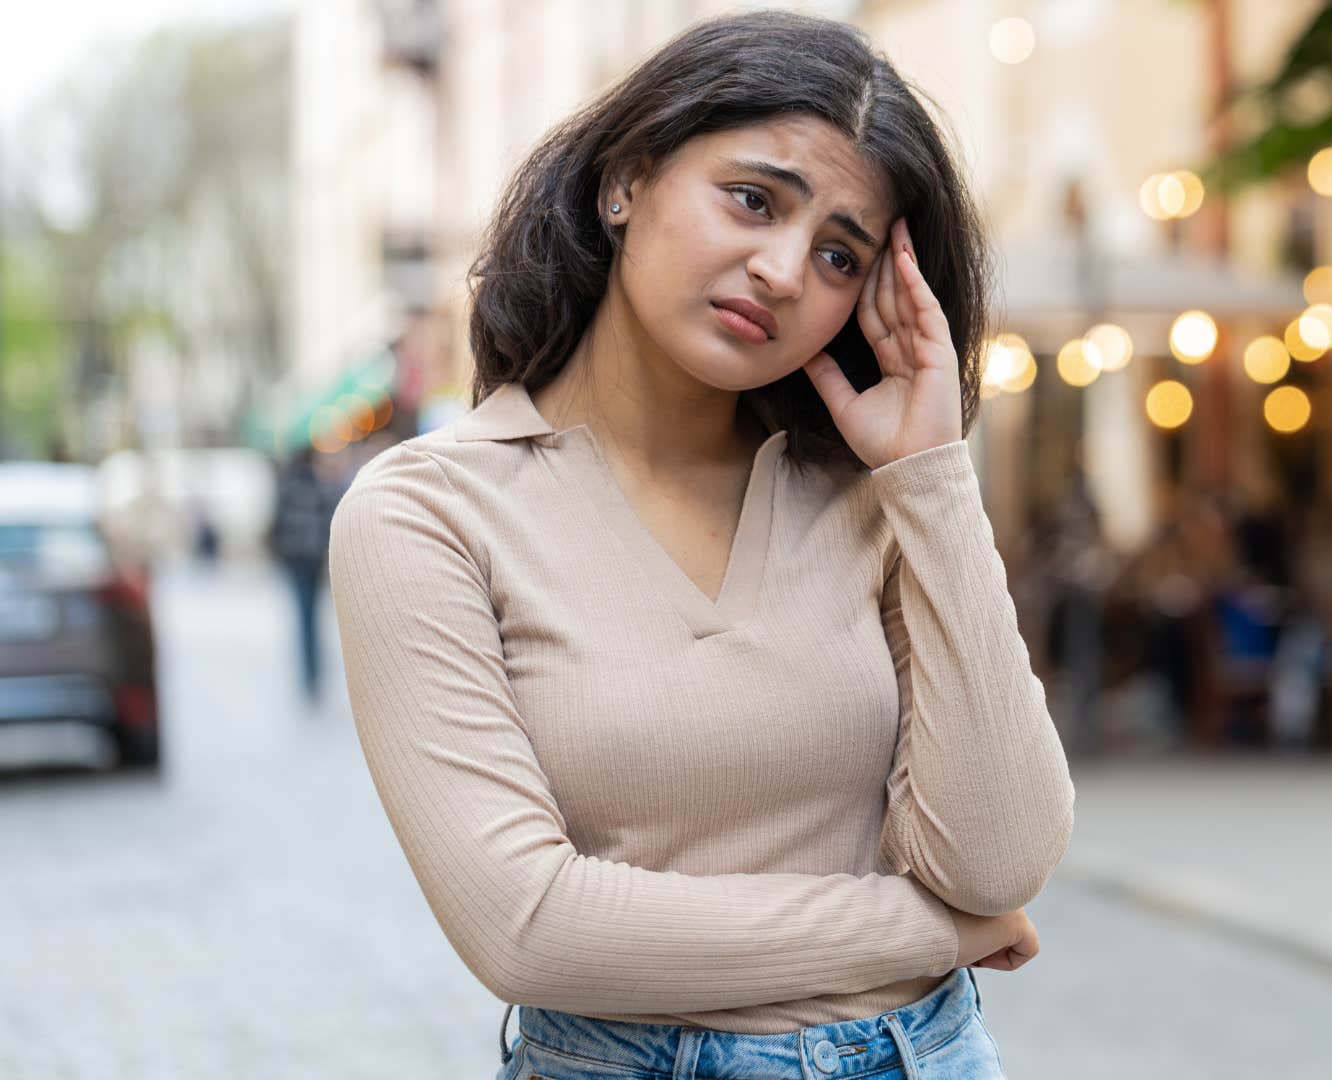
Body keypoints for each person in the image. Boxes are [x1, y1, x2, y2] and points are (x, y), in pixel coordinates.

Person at [326, 12, 1070, 1079]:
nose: (780, 270)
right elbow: (530, 928)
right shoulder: (428, 514)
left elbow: (1001, 854)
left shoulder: (869, 496)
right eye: (753, 199)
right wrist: (932, 933)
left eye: (837, 253)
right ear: (626, 180)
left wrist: (932, 478)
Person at [267, 445, 342, 703]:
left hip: (296, 559)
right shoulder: (319, 486)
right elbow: (329, 522)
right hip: (313, 558)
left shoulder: (287, 487)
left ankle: (309, 674)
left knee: (303, 616)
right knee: (312, 616)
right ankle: (314, 672)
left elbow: (276, 524)